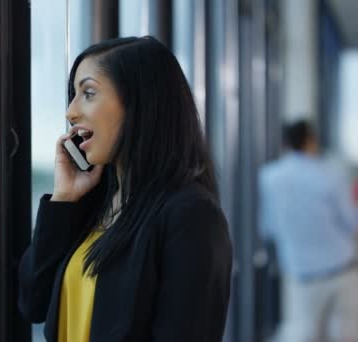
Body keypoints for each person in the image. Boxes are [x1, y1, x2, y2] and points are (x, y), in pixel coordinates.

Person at [18, 36, 232, 341]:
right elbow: (32, 302)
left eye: (88, 93)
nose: (71, 112)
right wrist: (64, 199)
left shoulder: (191, 214)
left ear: (139, 105)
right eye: (73, 95)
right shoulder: (94, 205)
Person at [259, 120, 358, 341]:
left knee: (306, 332)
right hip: (341, 270)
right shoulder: (332, 175)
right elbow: (352, 222)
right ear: (310, 141)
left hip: (301, 271)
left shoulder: (269, 177)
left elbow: (269, 227)